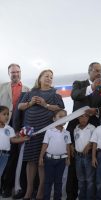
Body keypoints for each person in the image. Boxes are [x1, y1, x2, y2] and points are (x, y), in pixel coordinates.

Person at [66, 62, 101, 200]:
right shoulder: (78, 84)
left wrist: (96, 111)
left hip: (94, 133)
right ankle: (71, 196)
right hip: (75, 129)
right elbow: (75, 95)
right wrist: (91, 87)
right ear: (89, 71)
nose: (99, 73)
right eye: (97, 70)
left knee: (93, 164)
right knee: (73, 167)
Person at [18, 69, 65, 200]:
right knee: (30, 161)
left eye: (51, 77)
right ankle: (29, 190)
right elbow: (20, 107)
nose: (49, 78)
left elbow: (60, 108)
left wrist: (46, 104)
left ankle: (40, 192)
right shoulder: (30, 92)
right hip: (30, 132)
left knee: (42, 161)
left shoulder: (55, 94)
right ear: (40, 78)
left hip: (45, 132)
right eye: (46, 76)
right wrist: (30, 103)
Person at [0, 63, 29, 198]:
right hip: (3, 124)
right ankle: (4, 186)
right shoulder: (1, 87)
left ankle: (9, 187)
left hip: (18, 126)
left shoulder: (27, 89)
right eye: (13, 72)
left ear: (20, 72)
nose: (15, 74)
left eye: (17, 71)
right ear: (9, 74)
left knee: (14, 158)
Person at [39, 109, 71, 200]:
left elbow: (68, 146)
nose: (63, 119)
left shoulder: (67, 133)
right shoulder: (49, 131)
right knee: (48, 181)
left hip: (61, 160)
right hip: (49, 159)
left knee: (59, 181)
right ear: (54, 119)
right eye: (60, 117)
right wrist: (41, 157)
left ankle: (58, 198)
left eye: (65, 117)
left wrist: (68, 158)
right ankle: (46, 197)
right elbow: (45, 144)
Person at [0, 106, 29, 179]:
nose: (7, 116)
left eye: (8, 114)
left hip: (5, 155)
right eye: (4, 114)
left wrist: (24, 139)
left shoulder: (9, 129)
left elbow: (13, 140)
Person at [74, 113, 95, 200]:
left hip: (88, 156)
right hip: (78, 156)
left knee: (90, 179)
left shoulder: (92, 128)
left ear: (89, 117)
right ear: (78, 118)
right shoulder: (76, 129)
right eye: (81, 116)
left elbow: (95, 140)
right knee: (81, 179)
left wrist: (89, 144)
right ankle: (82, 197)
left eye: (86, 116)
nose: (83, 119)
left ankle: (89, 197)